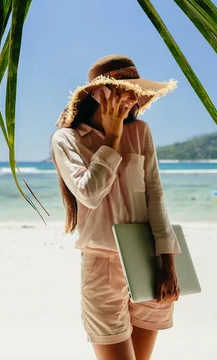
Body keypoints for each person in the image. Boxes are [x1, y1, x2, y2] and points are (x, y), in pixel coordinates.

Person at [51, 55, 182, 360]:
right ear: (98, 94)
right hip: (101, 265)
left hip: (150, 259)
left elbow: (155, 199)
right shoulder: (66, 140)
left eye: (135, 90)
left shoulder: (141, 133)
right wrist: (112, 139)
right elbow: (89, 194)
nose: (132, 97)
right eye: (123, 89)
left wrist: (169, 263)